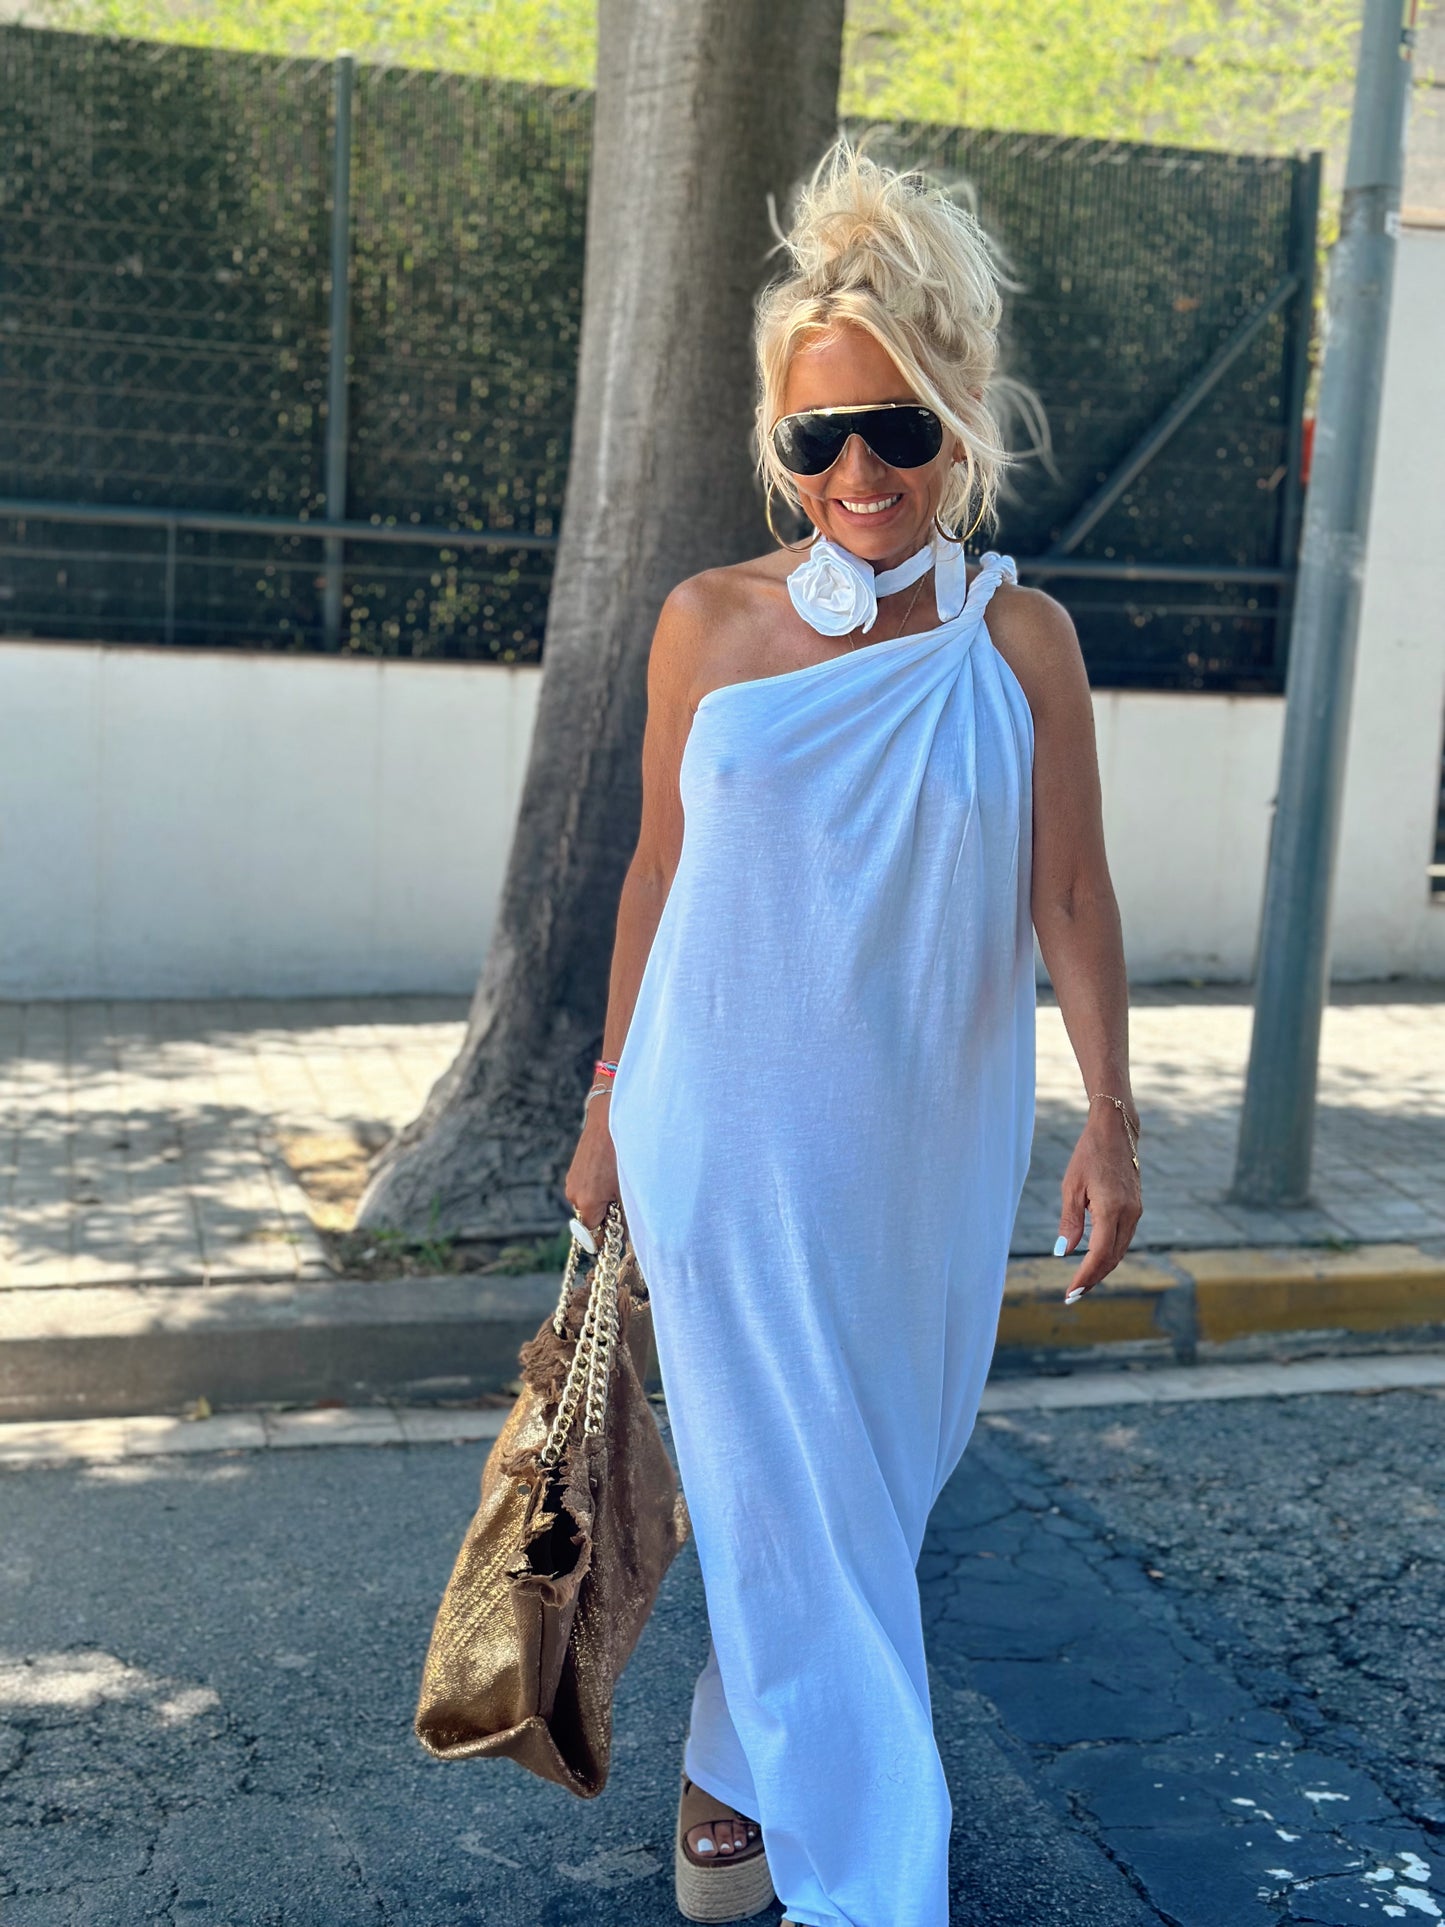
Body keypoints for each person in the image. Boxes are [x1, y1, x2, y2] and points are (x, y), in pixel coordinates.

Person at [563, 134, 1142, 1927]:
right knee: (781, 1492)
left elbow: (1069, 893)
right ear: (778, 441)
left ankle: (731, 1769)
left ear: (954, 423)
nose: (859, 472)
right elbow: (656, 872)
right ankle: (871, 1880)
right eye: (818, 438)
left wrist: (1111, 1116)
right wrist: (603, 1101)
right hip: (719, 1138)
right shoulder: (706, 624)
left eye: (894, 428)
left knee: (865, 1493)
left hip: (920, 1155)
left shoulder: (1019, 641)